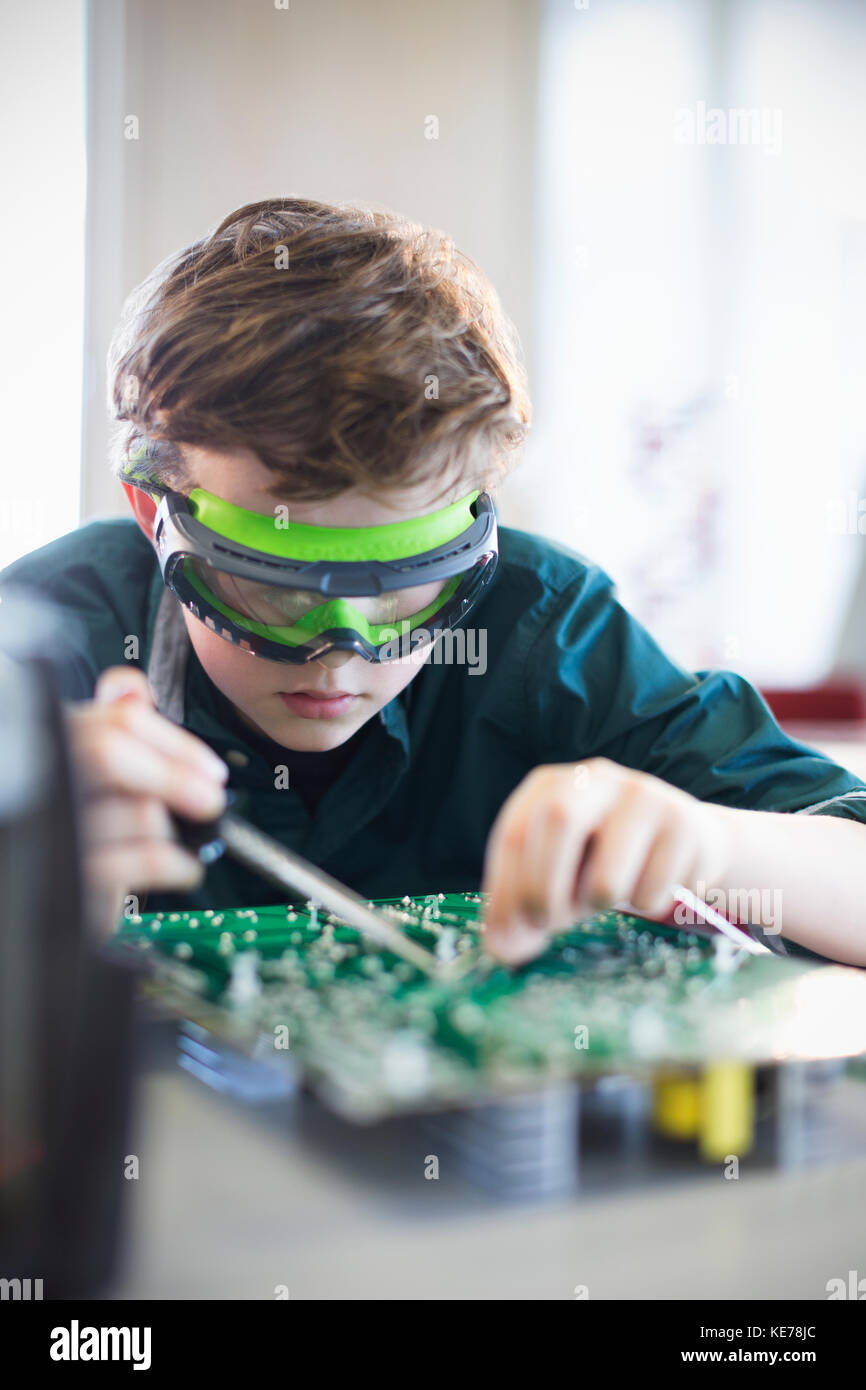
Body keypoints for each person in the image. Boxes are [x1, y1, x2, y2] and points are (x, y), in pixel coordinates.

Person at [5, 198, 866, 966]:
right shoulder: (43, 636)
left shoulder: (545, 626)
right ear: (153, 514)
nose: (339, 657)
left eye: (403, 589)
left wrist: (714, 845)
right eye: (275, 587)